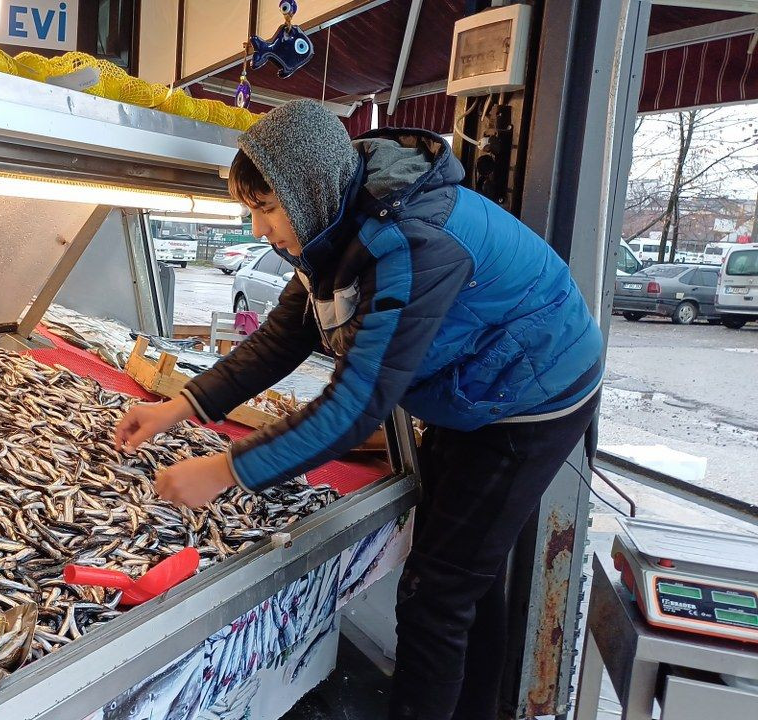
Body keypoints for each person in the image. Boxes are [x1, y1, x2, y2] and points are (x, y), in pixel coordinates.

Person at [113, 99, 603, 720]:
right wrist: (180, 406)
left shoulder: (412, 242)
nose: (259, 231)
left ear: (306, 187)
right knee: (463, 575)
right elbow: (286, 334)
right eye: (251, 211)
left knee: (436, 597)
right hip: (473, 385)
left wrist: (224, 471)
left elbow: (355, 407)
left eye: (266, 209)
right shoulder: (339, 219)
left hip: (532, 396)